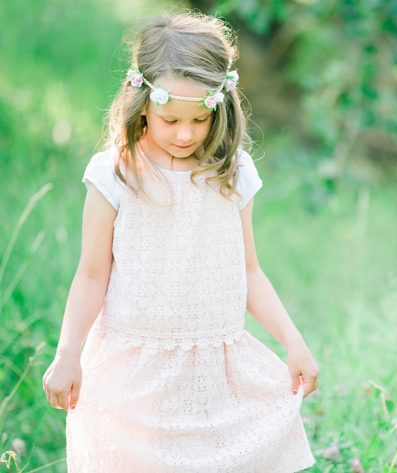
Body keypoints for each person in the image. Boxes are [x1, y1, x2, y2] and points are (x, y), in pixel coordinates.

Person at [40, 12, 319, 472]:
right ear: (141, 103)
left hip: (213, 371)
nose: (186, 134)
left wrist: (294, 342)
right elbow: (91, 275)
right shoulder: (116, 175)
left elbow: (249, 271)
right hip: (135, 372)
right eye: (170, 119)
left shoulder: (232, 174)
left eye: (200, 119)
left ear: (220, 107)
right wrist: (68, 353)